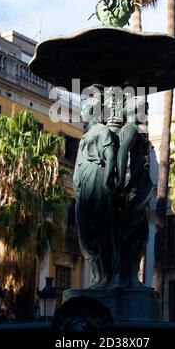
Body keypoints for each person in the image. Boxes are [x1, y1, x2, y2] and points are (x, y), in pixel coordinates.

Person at [73, 92, 117, 288]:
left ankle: (104, 277)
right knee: (84, 233)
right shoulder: (84, 136)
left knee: (99, 230)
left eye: (83, 108)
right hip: (82, 185)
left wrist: (108, 180)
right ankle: (95, 277)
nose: (80, 111)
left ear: (91, 111)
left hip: (96, 179)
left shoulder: (102, 131)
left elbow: (110, 156)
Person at [110, 95, 153, 288]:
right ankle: (123, 276)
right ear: (135, 110)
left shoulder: (136, 130)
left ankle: (131, 276)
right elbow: (122, 152)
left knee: (139, 233)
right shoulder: (130, 129)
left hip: (140, 185)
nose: (147, 113)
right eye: (145, 109)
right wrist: (120, 181)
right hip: (133, 187)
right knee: (130, 233)